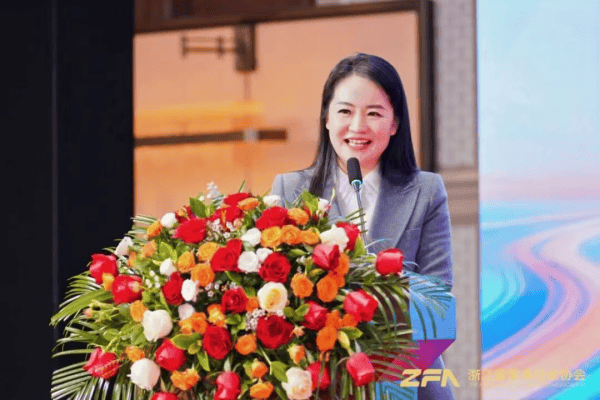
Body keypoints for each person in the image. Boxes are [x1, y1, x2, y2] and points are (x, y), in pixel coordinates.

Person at [269, 53, 455, 400]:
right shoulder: (290, 190)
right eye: (345, 111)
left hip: (408, 382)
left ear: (395, 123)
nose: (358, 126)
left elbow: (438, 298)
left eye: (374, 113)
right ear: (326, 118)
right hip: (317, 384)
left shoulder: (427, 191)